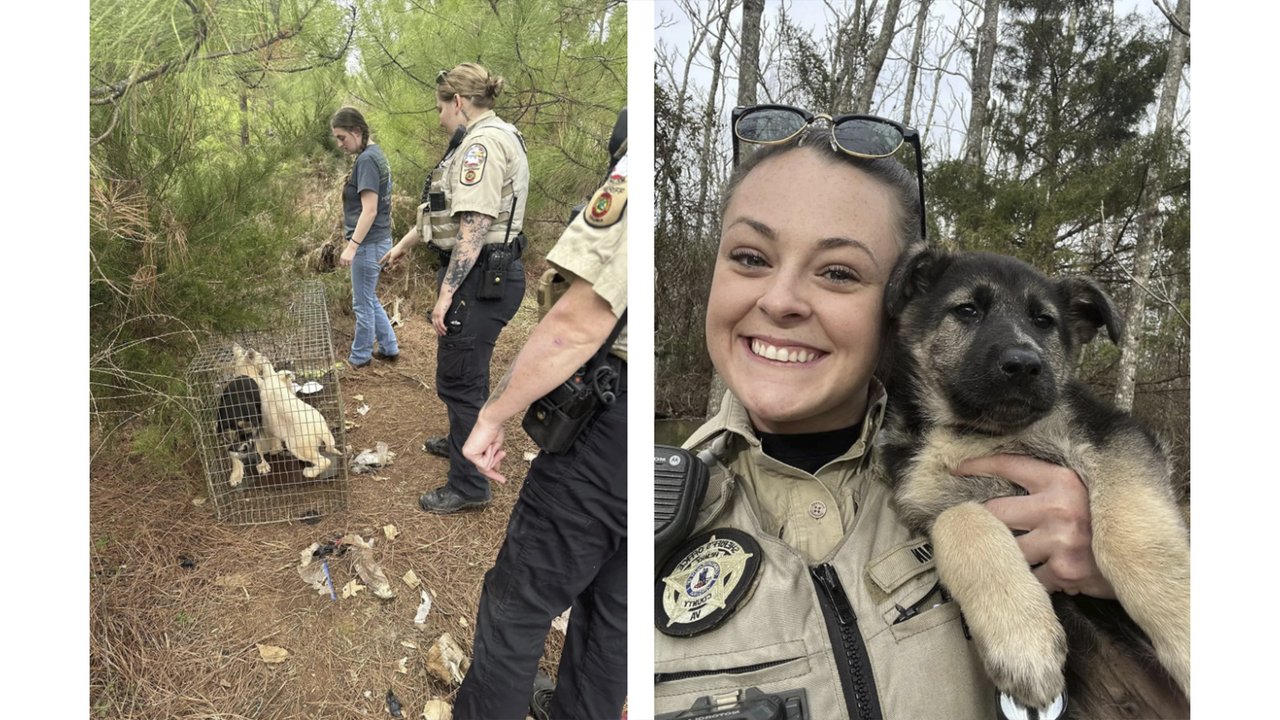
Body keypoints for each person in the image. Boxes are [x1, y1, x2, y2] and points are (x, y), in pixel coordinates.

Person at [652, 111, 1127, 720]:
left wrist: (1115, 573)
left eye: (839, 272)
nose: (781, 300)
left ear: (904, 304)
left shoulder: (1030, 483)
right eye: (749, 257)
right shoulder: (641, 509)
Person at [451, 110, 628, 720]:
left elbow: (578, 324)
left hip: (607, 427)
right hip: (641, 454)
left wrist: (494, 415)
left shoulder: (636, 178)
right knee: (613, 608)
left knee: (518, 601)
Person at [380, 63, 529, 514]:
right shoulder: (499, 133)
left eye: (440, 107)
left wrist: (446, 293)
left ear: (458, 102)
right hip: (488, 274)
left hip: (480, 277)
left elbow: (475, 224)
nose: (439, 116)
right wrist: (407, 242)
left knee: (460, 381)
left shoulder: (480, 145)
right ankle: (460, 439)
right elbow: (441, 210)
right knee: (468, 370)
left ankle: (469, 487)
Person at [331, 107, 399, 368]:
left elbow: (369, 210)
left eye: (342, 137)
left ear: (357, 131)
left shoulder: (368, 160)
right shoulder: (374, 154)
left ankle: (359, 358)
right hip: (378, 240)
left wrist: (352, 247)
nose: (340, 144)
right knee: (369, 297)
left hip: (369, 244)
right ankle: (389, 347)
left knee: (362, 304)